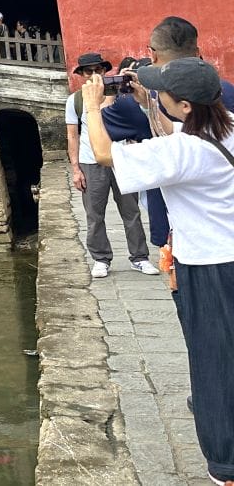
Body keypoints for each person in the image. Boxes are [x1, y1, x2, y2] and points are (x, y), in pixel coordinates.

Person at [82, 57, 234, 484]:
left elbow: (103, 152)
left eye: (163, 92)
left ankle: (226, 465)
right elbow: (174, 131)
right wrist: (149, 99)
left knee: (213, 362)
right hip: (225, 254)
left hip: (211, 267)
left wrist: (93, 105)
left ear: (186, 105)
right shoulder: (223, 128)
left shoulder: (184, 150)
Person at [139, 16, 234, 247]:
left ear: (152, 53)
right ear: (197, 50)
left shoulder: (160, 95)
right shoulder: (225, 90)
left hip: (187, 228)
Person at [66, 51, 156, 278]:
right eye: (89, 71)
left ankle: (140, 257)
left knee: (131, 211)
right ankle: (101, 258)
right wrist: (76, 169)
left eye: (99, 69)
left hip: (121, 158)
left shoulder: (122, 96)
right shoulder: (75, 100)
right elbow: (72, 136)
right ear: (82, 75)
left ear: (106, 71)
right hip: (91, 160)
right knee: (94, 213)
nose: (94, 74)